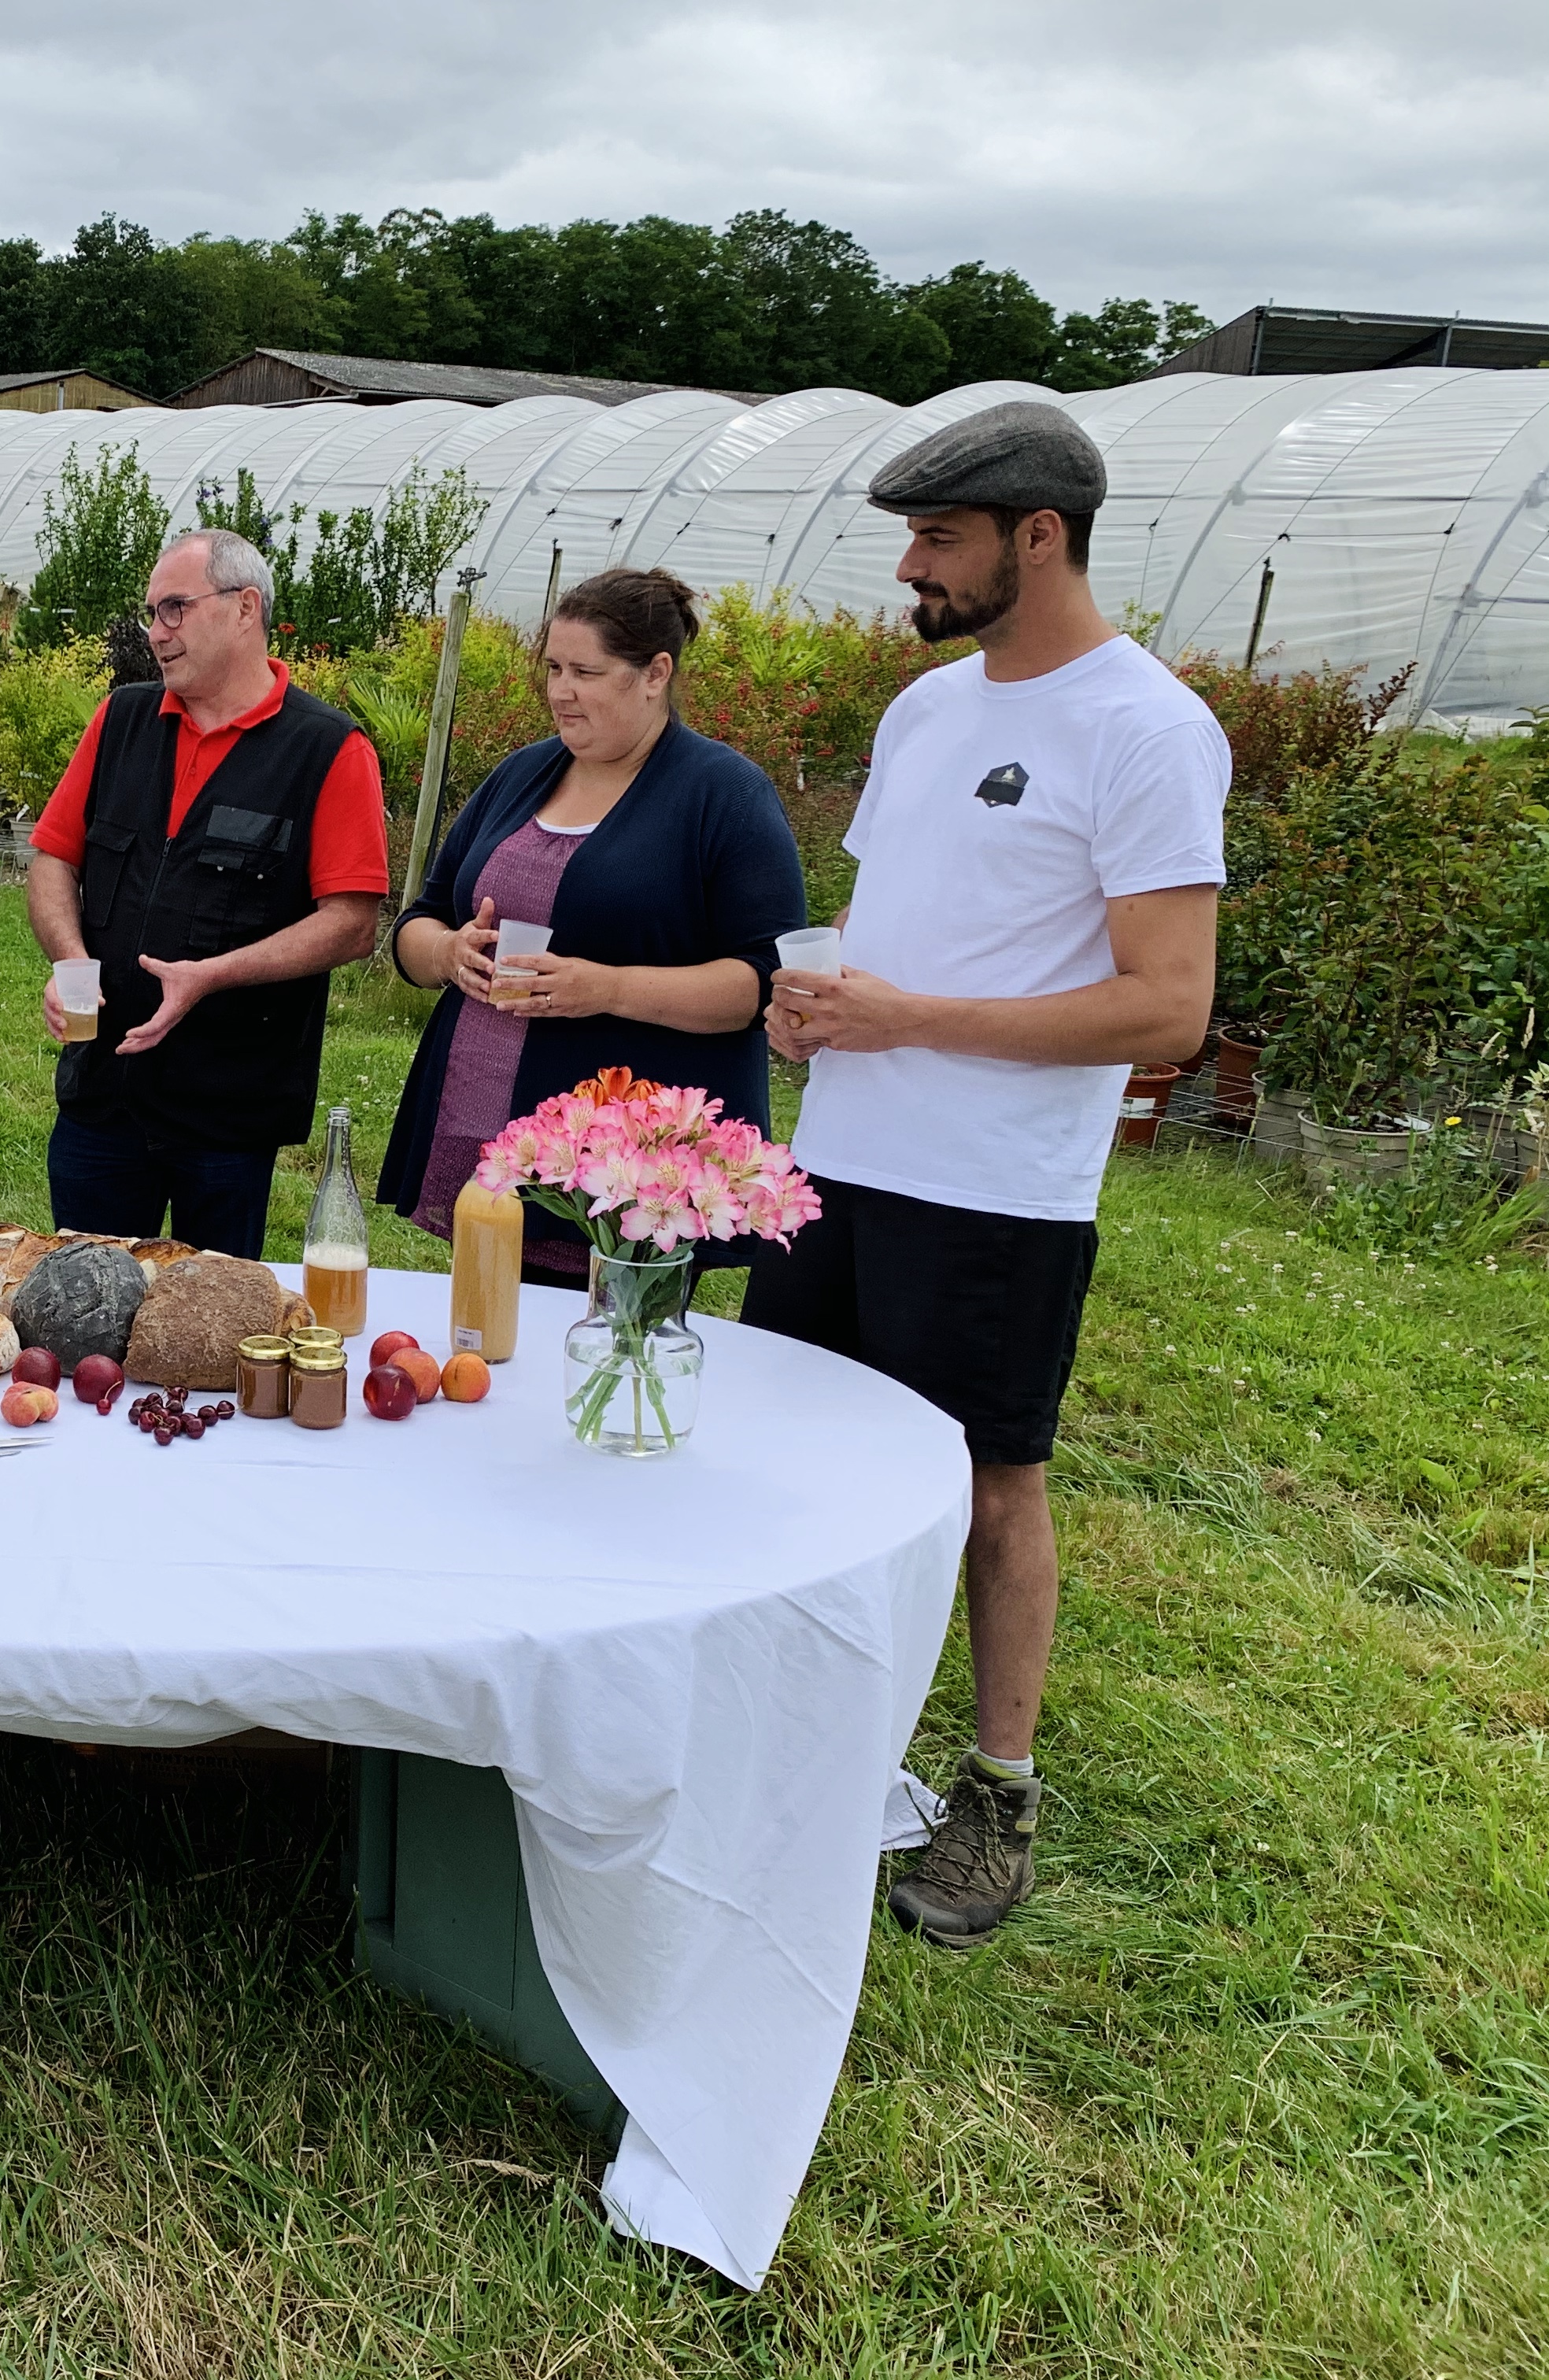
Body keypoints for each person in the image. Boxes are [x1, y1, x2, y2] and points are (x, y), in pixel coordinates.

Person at [747, 401, 1226, 1947]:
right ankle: (800, 1744)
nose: (911, 565)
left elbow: (1169, 1006)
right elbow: (902, 926)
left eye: (938, 539)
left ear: (1040, 536)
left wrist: (912, 1020)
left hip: (1000, 1191)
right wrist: (825, 1012)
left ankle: (996, 1794)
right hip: (842, 1163)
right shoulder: (929, 714)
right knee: (799, 1454)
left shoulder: (1145, 728)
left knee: (987, 1488)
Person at [379, 569, 805, 1273]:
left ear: (654, 674)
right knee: (488, 1339)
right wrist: (448, 954)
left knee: (604, 1348)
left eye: (585, 671)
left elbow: (762, 980)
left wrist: (605, 989)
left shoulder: (723, 794)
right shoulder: (521, 775)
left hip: (624, 1163)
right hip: (483, 1124)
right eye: (552, 667)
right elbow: (418, 920)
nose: (560, 690)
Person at [24, 529, 386, 1257]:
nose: (157, 634)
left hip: (227, 1113)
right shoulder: (121, 720)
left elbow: (351, 924)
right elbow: (52, 861)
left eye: (175, 610)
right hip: (103, 1097)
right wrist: (70, 961)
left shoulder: (327, 750)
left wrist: (213, 977)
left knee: (214, 1337)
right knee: (80, 1315)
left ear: (245, 608)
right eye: (152, 614)